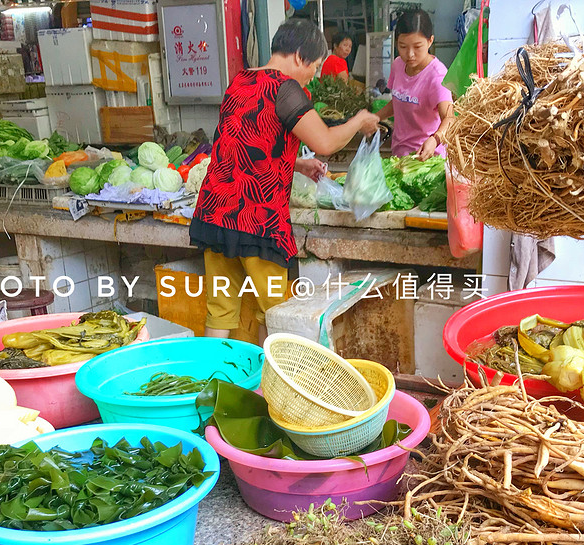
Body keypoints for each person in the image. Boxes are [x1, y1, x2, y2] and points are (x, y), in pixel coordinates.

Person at [190, 20, 381, 343]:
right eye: (315, 66)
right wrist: (359, 120)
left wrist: (297, 164)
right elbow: (325, 142)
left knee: (219, 311)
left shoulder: (240, 81)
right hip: (256, 222)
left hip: (215, 214)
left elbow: (246, 147)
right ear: (299, 56)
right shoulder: (284, 88)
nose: (314, 74)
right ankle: (272, 389)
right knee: (276, 315)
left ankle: (213, 386)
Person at [375, 10, 453, 160]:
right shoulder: (398, 65)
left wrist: (434, 139)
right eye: (403, 47)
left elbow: (449, 119)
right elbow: (399, 101)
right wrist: (374, 117)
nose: (410, 54)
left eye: (417, 47)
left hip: (427, 158)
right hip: (399, 153)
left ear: (430, 41)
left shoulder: (437, 75)